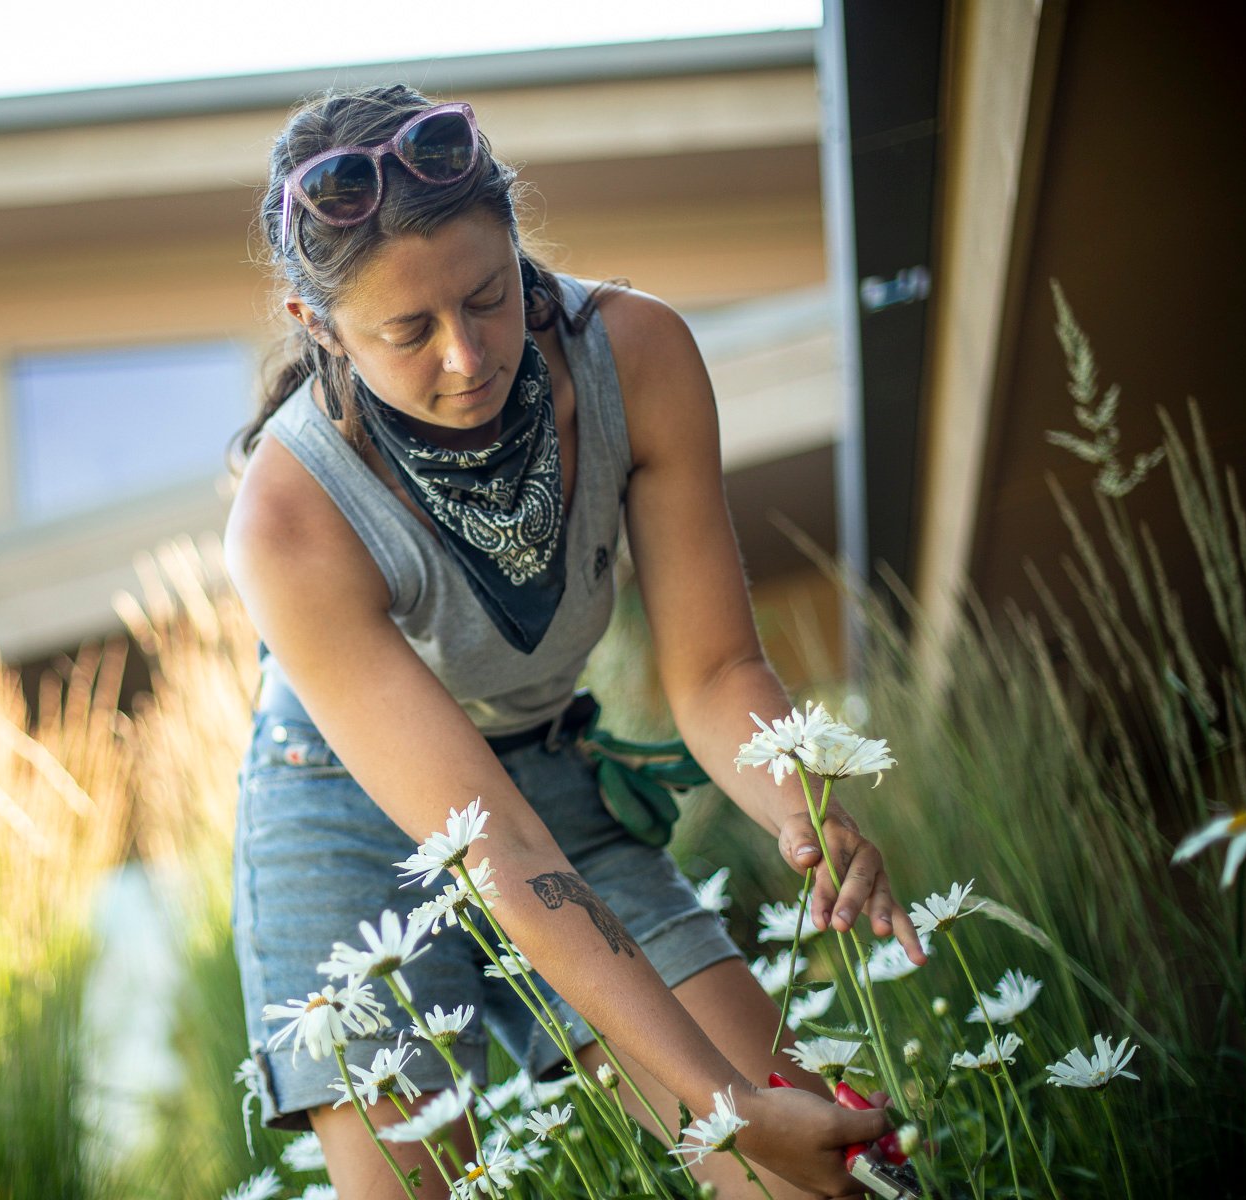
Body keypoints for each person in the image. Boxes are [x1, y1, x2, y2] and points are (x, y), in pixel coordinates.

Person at [224, 84, 926, 1199]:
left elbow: (712, 670)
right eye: (408, 333)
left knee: (815, 1179)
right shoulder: (287, 518)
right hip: (337, 818)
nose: (468, 356)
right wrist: (722, 1111)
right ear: (322, 330)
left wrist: (801, 798)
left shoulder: (635, 356)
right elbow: (489, 844)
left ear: (516, 243)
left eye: (490, 297)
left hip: (547, 764)